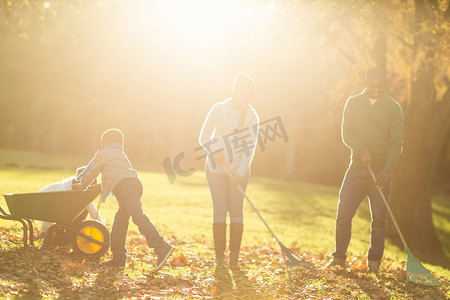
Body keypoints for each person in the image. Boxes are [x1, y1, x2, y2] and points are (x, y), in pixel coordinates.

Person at [328, 67, 404, 274]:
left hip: (380, 172)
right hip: (356, 169)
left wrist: (387, 170)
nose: (376, 89)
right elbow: (347, 133)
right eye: (373, 85)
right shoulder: (353, 103)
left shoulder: (393, 108)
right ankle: (339, 258)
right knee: (343, 214)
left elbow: (397, 143)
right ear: (366, 82)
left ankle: (374, 262)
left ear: (384, 84)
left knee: (379, 219)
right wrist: (362, 150)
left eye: (380, 85)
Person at [74, 128, 174, 271]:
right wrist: (95, 187)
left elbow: (91, 172)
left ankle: (161, 247)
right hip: (133, 185)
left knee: (137, 216)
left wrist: (81, 186)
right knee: (120, 221)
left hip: (125, 188)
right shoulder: (121, 155)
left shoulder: (103, 154)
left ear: (104, 143)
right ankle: (118, 259)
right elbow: (114, 178)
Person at [199, 72, 259, 268]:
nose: (246, 99)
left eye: (249, 95)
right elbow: (204, 135)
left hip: (239, 170)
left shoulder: (252, 116)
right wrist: (214, 149)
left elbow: (250, 148)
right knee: (220, 210)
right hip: (216, 168)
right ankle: (219, 257)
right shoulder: (219, 109)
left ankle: (234, 259)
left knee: (236, 211)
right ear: (236, 92)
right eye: (243, 94)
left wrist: (240, 173)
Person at [39, 166, 104, 236]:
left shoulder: (81, 193)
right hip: (46, 203)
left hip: (62, 213)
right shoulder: (62, 189)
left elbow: (93, 211)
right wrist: (47, 230)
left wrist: (103, 230)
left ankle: (68, 235)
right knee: (71, 213)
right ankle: (55, 235)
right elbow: (48, 210)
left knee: (84, 208)